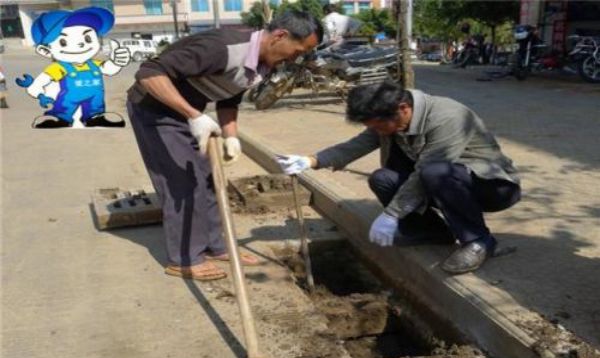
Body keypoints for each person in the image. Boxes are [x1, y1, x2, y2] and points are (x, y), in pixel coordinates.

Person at [126, 11, 322, 281]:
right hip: (156, 110)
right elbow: (148, 74)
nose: (296, 57)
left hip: (190, 113)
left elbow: (229, 99)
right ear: (280, 36)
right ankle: (184, 259)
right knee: (182, 183)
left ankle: (217, 246)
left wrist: (231, 136)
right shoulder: (222, 48)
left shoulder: (264, 63)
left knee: (208, 180)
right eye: (299, 50)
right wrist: (193, 116)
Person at [277, 82, 521, 274]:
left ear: (403, 109)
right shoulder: (389, 117)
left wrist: (392, 214)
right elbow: (357, 145)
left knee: (433, 171)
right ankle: (432, 232)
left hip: (491, 186)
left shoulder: (448, 117)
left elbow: (428, 169)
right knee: (382, 178)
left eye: (380, 127)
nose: (379, 132)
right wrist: (310, 160)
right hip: (440, 181)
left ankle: (479, 241)